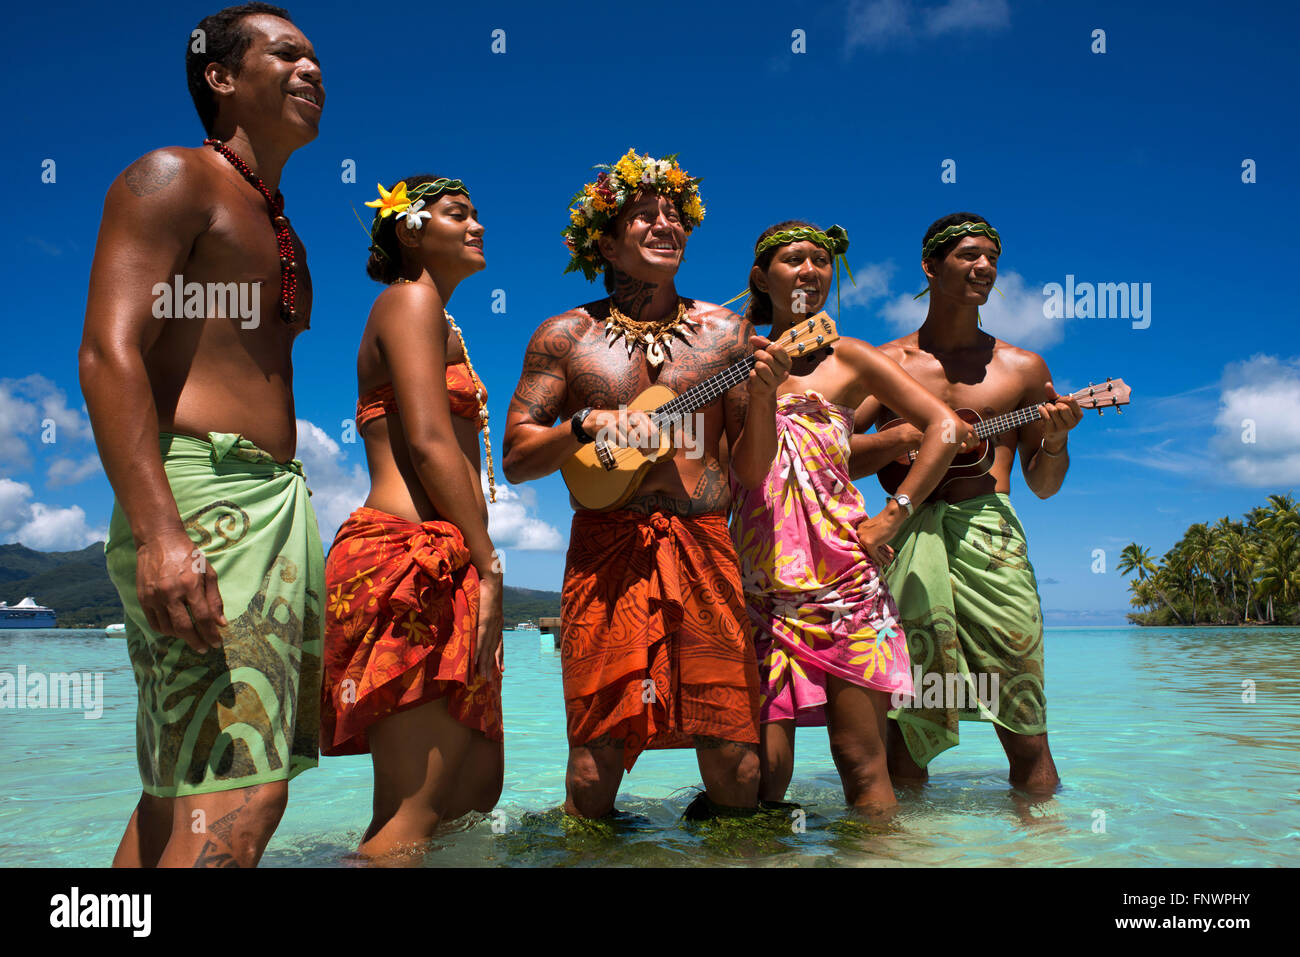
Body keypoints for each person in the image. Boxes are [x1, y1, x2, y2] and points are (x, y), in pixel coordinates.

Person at [79, 3, 325, 867]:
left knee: (182, 790)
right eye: (286, 54)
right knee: (240, 791)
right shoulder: (171, 177)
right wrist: (159, 532)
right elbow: (109, 354)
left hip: (265, 506)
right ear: (220, 78)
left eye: (315, 60)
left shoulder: (279, 220)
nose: (311, 70)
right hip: (202, 499)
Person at [502, 149, 791, 819]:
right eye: (644, 215)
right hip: (606, 553)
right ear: (604, 238)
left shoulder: (727, 335)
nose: (667, 225)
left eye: (676, 215)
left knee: (734, 758)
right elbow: (516, 457)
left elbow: (751, 470)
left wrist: (767, 394)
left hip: (704, 545)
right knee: (594, 762)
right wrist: (580, 427)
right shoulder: (566, 336)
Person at [729, 221, 969, 814]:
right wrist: (761, 396)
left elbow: (945, 427)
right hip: (762, 583)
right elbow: (751, 472)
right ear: (762, 277)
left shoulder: (852, 357)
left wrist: (896, 514)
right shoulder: (737, 361)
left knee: (861, 762)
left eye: (819, 260)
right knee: (760, 773)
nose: (809, 270)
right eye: (791, 260)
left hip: (847, 580)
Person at [849, 213, 1082, 794]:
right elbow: (837, 457)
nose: (984, 267)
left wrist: (1055, 437)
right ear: (930, 266)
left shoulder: (1023, 368)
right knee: (905, 720)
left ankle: (1043, 851)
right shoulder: (888, 365)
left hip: (990, 538)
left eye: (991, 258)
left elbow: (1045, 484)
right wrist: (901, 438)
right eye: (968, 256)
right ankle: (908, 854)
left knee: (1025, 717)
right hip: (903, 534)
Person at [319, 175, 504, 858]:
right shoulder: (409, 300)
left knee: (468, 798)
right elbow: (427, 442)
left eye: (478, 213)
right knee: (412, 816)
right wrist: (490, 561)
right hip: (407, 559)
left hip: (444, 558)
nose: (478, 224)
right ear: (409, 228)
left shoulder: (440, 318)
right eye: (458, 214)